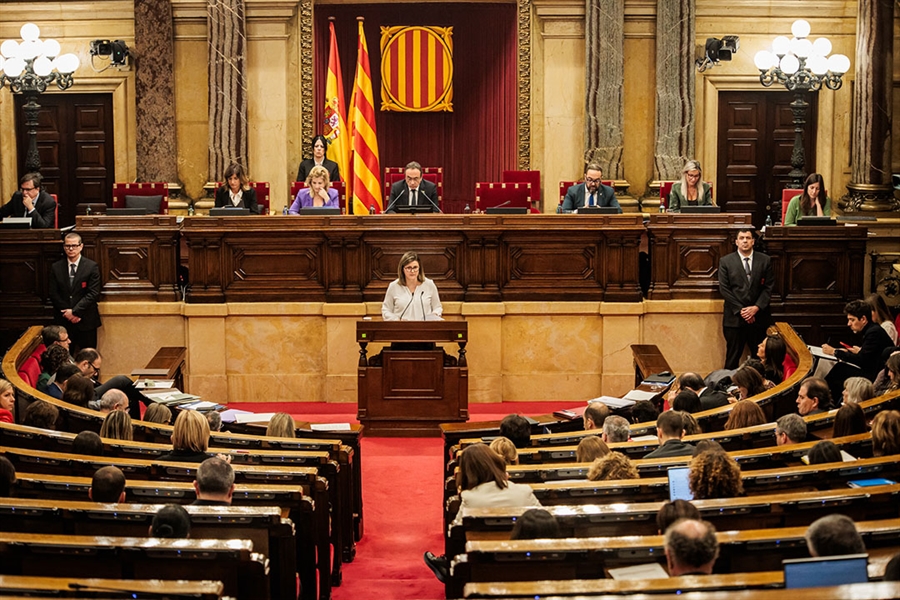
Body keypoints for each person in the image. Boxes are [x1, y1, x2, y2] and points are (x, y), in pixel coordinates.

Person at [424, 443, 541, 583]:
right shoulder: (524, 491)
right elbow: (546, 520)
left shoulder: (470, 498)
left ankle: (447, 566)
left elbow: (456, 533)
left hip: (484, 561)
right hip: (528, 558)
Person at [718, 227, 774, 370]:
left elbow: (768, 288)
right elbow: (725, 289)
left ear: (753, 241)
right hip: (735, 320)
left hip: (758, 318)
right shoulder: (726, 261)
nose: (745, 241)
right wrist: (742, 310)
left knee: (759, 359)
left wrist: (755, 308)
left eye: (748, 238)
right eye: (741, 238)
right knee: (732, 358)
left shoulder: (765, 260)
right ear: (736, 242)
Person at [822, 299, 894, 400]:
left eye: (852, 320)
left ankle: (823, 397)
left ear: (863, 319)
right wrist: (858, 352)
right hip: (873, 370)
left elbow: (862, 361)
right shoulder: (872, 330)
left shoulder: (873, 332)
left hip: (875, 375)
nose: (848, 324)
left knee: (839, 369)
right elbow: (868, 356)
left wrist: (835, 352)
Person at [49, 232, 102, 352]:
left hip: (86, 320)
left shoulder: (91, 266)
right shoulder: (56, 267)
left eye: (74, 245)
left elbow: (93, 293)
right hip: (64, 322)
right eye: (68, 246)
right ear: (64, 247)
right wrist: (68, 313)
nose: (71, 249)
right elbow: (53, 293)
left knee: (88, 357)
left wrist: (75, 312)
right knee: (65, 358)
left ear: (81, 246)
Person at [381, 251, 443, 321]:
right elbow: (386, 310)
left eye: (415, 267)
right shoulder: (394, 286)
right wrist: (397, 319)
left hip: (425, 328)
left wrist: (434, 315)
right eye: (409, 268)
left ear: (419, 268)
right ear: (402, 269)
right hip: (401, 329)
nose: (412, 271)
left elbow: (437, 307)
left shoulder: (429, 284)